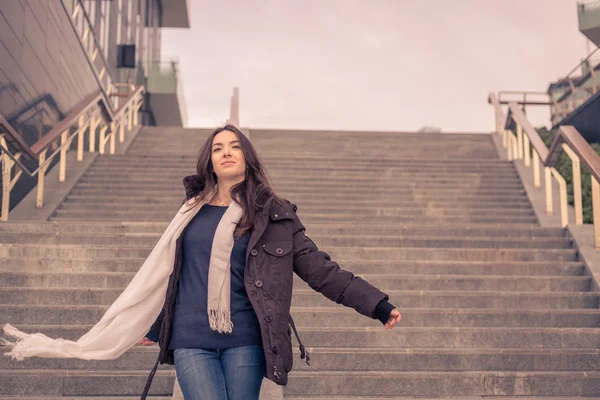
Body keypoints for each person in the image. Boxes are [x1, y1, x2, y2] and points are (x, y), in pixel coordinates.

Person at [138, 125, 402, 400]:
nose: (226, 152)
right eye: (218, 148)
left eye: (235, 146)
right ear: (210, 162)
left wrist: (376, 305)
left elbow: (318, 268)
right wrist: (158, 325)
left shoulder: (273, 214)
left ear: (248, 158)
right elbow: (179, 276)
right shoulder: (190, 212)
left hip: (245, 337)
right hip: (190, 336)